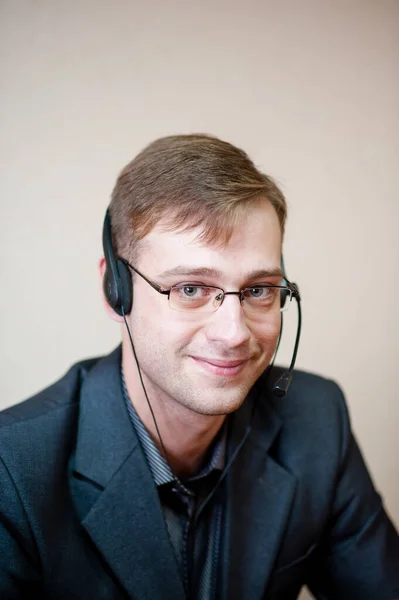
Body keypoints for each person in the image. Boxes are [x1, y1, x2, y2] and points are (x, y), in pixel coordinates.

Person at [0, 134, 398, 600]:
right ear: (116, 290)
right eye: (190, 289)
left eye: (258, 290)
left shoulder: (317, 420)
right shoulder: (12, 470)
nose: (233, 334)